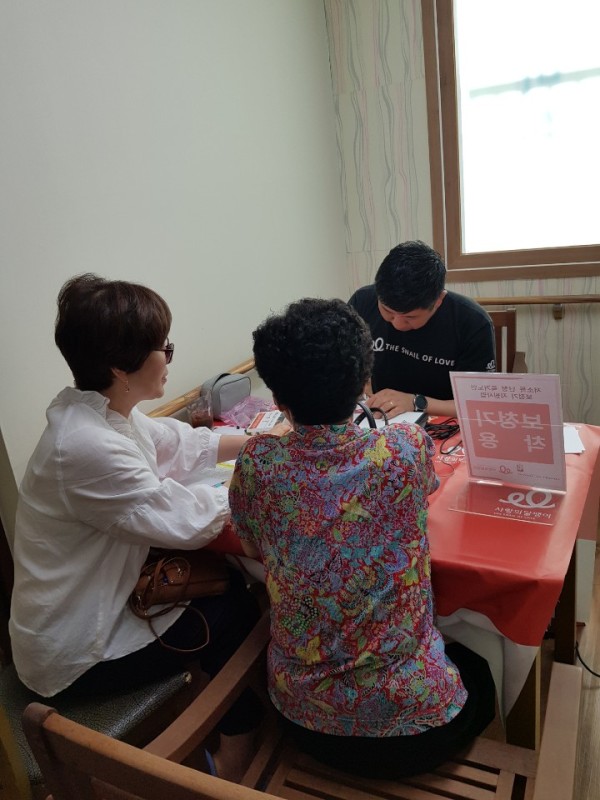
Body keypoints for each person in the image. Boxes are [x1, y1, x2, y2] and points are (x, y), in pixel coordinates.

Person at [9, 273, 282, 782]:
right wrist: (270, 482)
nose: (169, 357)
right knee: (233, 607)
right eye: (164, 348)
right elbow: (187, 519)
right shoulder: (85, 446)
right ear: (120, 366)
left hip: (94, 604)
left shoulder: (100, 413)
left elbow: (176, 443)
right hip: (74, 651)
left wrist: (261, 441)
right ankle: (235, 752)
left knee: (225, 584)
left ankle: (233, 717)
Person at [228, 298, 495, 779]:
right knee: (480, 665)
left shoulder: (257, 462)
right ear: (362, 384)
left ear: (278, 399)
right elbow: (426, 490)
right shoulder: (404, 448)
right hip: (418, 730)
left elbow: (250, 548)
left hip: (302, 719)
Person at [348, 240, 495, 419]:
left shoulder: (472, 322)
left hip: (441, 422)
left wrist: (416, 403)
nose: (398, 324)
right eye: (388, 312)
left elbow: (477, 404)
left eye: (410, 317)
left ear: (438, 300)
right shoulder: (362, 302)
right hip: (380, 417)